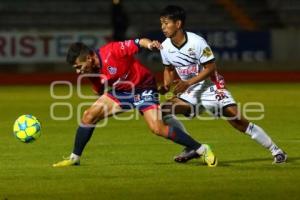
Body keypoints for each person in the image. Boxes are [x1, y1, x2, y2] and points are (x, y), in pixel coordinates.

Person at [53, 38, 217, 167]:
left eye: (78, 66)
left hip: (143, 87)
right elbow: (99, 89)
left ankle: (201, 149)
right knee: (89, 115)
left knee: (157, 128)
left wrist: (150, 45)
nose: (77, 71)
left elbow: (138, 42)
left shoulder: (112, 51)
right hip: (122, 92)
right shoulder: (91, 70)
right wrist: (102, 102)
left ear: (89, 58)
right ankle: (75, 158)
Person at [157, 5, 287, 164]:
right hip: (189, 90)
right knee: (162, 111)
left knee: (238, 121)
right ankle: (192, 147)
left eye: (166, 23)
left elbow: (211, 68)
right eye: (161, 23)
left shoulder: (197, 42)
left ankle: (276, 150)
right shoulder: (165, 47)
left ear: (178, 24)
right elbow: (168, 69)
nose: (163, 27)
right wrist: (166, 85)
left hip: (210, 87)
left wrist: (188, 82)